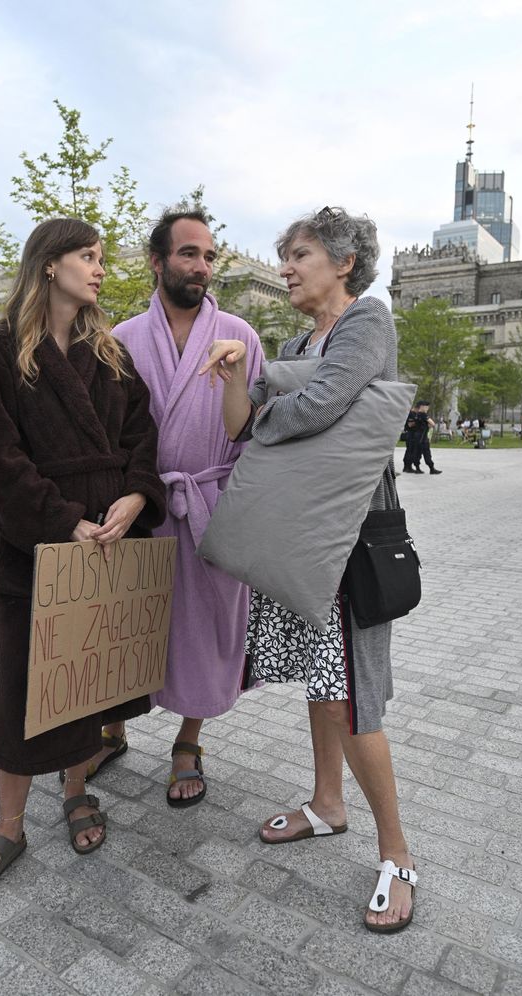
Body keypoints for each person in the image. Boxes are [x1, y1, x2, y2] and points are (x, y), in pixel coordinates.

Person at [201, 207, 416, 933]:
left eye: (298, 255)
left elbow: (322, 404)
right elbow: (238, 423)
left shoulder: (368, 323)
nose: (287, 267)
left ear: (343, 262)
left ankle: (399, 855)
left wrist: (264, 393)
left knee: (355, 694)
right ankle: (328, 803)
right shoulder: (292, 340)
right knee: (326, 685)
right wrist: (238, 369)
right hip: (305, 538)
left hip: (350, 542)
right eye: (285, 256)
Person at [0, 218, 166, 900]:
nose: (100, 269)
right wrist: (60, 522)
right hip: (40, 548)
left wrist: (136, 496)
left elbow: (143, 434)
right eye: (87, 256)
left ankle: (76, 789)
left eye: (101, 258)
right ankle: (8, 823)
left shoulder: (107, 352)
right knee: (23, 685)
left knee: (85, 681)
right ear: (49, 264)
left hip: (111, 538)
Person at [74, 208, 263, 807]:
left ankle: (189, 739)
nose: (201, 266)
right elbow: (107, 434)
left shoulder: (241, 336)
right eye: (188, 254)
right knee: (129, 624)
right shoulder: (121, 339)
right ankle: (112, 728)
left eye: (209, 256)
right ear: (157, 261)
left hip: (211, 506)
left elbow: (250, 434)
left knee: (205, 633)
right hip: (143, 507)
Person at [415, 401, 442, 474]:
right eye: (426, 406)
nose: (427, 408)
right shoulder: (423, 415)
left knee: (417, 453)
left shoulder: (417, 414)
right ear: (422, 406)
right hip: (423, 437)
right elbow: (432, 423)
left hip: (417, 436)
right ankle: (432, 469)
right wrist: (428, 425)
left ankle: (417, 468)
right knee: (427, 453)